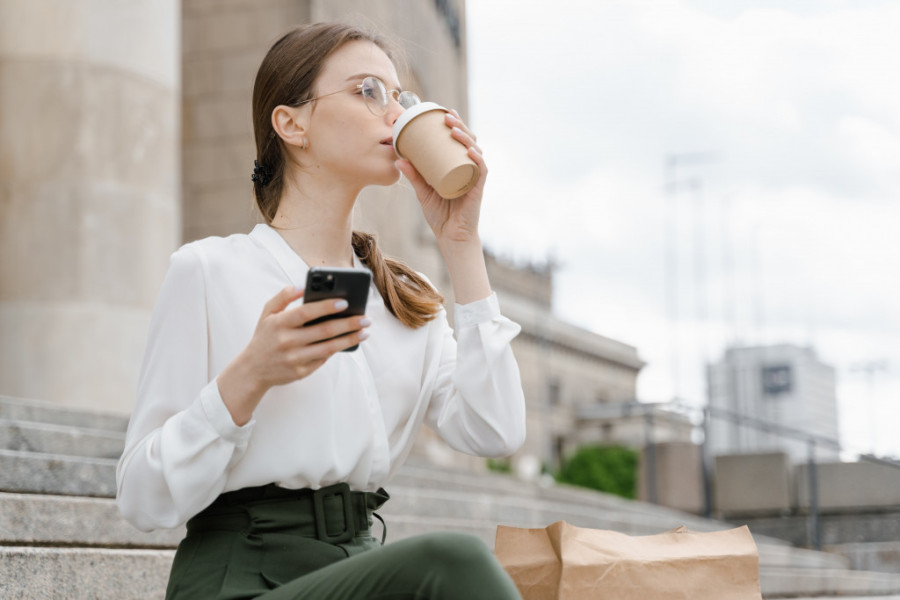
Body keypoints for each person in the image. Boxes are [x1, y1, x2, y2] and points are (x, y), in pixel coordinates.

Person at [116, 21, 526, 600]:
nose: (395, 113)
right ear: (292, 123)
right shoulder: (208, 272)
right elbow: (141, 497)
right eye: (367, 91)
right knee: (452, 561)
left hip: (358, 567)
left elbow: (497, 430)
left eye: (400, 96)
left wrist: (461, 243)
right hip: (238, 578)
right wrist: (250, 375)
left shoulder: (405, 305)